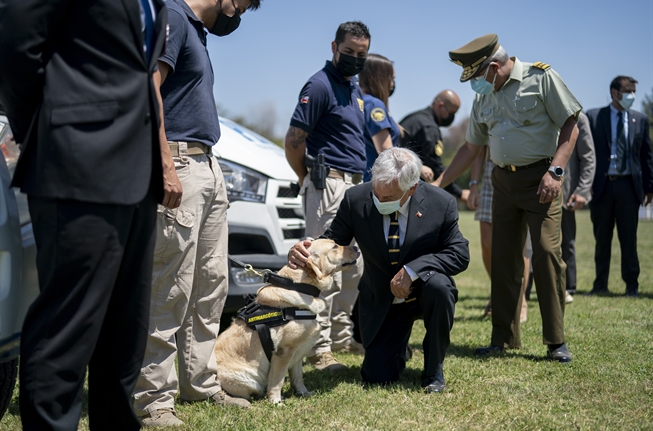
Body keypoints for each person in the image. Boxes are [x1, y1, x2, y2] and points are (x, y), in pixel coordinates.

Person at [0, 0, 167, 429]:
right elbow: (18, 39)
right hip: (75, 160)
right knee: (67, 329)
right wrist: (42, 130)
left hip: (137, 172)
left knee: (124, 334)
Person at [132, 0, 263, 426]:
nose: (239, 16)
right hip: (180, 163)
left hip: (208, 164)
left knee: (210, 284)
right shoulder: (172, 15)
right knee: (169, 285)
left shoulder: (198, 32)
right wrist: (164, 163)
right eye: (242, 5)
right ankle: (153, 398)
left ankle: (200, 384)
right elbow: (149, 87)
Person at [435, 34, 581, 362]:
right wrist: (441, 183)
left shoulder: (541, 78)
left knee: (545, 254)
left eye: (476, 76)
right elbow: (472, 146)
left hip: (540, 179)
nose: (474, 85)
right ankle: (502, 338)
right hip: (501, 181)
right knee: (503, 260)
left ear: (495, 67)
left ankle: (555, 342)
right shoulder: (484, 98)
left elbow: (571, 122)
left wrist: (556, 172)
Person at [288, 148, 469, 392]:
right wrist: (306, 248)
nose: (380, 201)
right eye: (377, 193)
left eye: (389, 197)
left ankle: (433, 370)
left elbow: (459, 254)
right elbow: (333, 239)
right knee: (377, 377)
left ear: (412, 188)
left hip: (426, 290)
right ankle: (399, 348)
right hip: (383, 298)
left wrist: (412, 270)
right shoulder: (356, 198)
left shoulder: (441, 203)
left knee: (440, 287)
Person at [284, 21, 370, 371]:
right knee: (323, 270)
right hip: (328, 185)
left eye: (361, 54)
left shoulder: (354, 88)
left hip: (354, 186)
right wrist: (307, 179)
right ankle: (320, 351)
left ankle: (341, 339)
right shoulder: (319, 85)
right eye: (348, 52)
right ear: (334, 47)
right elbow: (293, 140)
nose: (354, 59)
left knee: (352, 267)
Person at [586, 76, 653, 298]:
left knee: (629, 239)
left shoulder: (640, 120)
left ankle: (631, 286)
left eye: (634, 91)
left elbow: (647, 156)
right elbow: (587, 154)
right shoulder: (595, 117)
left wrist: (649, 187)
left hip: (628, 187)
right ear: (614, 92)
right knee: (601, 238)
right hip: (602, 186)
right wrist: (586, 185)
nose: (632, 95)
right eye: (628, 91)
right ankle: (600, 285)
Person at [467, 148, 530, 322]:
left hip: (517, 169)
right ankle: (499, 291)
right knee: (487, 245)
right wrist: (473, 186)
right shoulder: (481, 118)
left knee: (519, 244)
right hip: (490, 173)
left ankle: (520, 299)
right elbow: (477, 151)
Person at [400, 90, 469, 202]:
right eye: (451, 113)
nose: (452, 117)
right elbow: (436, 166)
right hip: (406, 185)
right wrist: (459, 193)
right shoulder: (429, 127)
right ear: (441, 106)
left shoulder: (414, 117)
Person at [561, 112, 595, 300]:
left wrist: (582, 190)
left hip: (566, 191)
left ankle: (568, 287)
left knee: (567, 240)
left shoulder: (578, 117)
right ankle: (528, 288)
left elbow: (588, 157)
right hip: (536, 188)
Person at [358, 53, 400, 182]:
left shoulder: (361, 102)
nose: (392, 85)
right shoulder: (374, 104)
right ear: (379, 78)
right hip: (375, 184)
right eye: (391, 79)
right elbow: (386, 152)